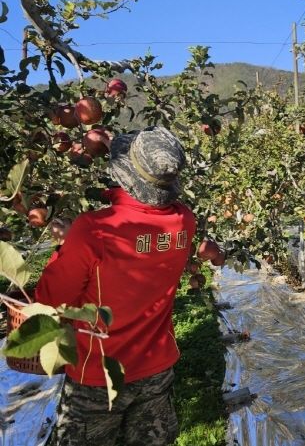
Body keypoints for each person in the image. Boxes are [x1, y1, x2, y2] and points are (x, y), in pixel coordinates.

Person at [36, 126, 196, 446]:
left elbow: (52, 299)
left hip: (97, 375)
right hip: (155, 367)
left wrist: (62, 247)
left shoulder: (95, 229)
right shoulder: (184, 221)